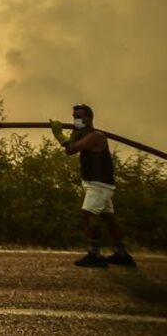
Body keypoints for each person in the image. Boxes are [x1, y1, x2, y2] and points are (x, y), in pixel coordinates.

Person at [50, 104, 136, 268]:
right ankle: (122, 254)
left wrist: (59, 134)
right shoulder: (85, 134)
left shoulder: (95, 136)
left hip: (99, 184)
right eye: (74, 117)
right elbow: (71, 150)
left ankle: (95, 254)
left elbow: (71, 148)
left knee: (89, 213)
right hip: (97, 183)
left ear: (89, 118)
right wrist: (74, 133)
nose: (76, 120)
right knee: (108, 217)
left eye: (79, 117)